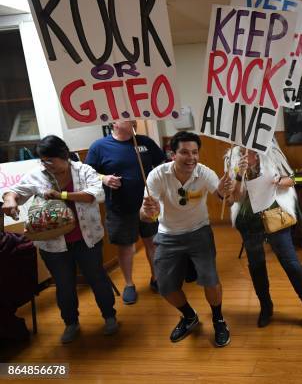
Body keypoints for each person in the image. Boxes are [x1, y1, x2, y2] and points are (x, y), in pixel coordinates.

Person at [2, 135, 118, 344]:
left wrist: (60, 195)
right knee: (64, 286)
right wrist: (10, 200)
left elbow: (94, 195)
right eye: (42, 160)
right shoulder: (37, 174)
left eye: (50, 160)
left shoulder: (84, 171)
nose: (46, 165)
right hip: (53, 243)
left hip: (87, 238)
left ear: (63, 155)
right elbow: (16, 192)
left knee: (97, 279)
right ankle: (71, 323)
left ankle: (110, 316)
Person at [140, 131, 233, 346]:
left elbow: (223, 197)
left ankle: (218, 319)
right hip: (167, 234)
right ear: (172, 154)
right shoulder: (157, 175)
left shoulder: (204, 173)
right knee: (165, 286)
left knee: (210, 279)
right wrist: (147, 211)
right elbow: (145, 215)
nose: (191, 157)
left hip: (199, 231)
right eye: (184, 152)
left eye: (195, 152)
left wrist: (225, 191)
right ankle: (189, 316)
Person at [225, 141, 302, 333]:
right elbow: (233, 198)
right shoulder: (232, 157)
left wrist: (278, 181)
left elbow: (291, 180)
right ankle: (266, 307)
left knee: (291, 263)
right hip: (249, 219)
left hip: (274, 214)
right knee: (256, 265)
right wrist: (238, 175)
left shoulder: (270, 150)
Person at [85, 121, 166, 304]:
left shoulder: (144, 142)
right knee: (125, 248)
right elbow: (87, 173)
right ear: (114, 121)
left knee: (153, 243)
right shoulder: (99, 146)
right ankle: (129, 284)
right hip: (119, 207)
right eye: (126, 116)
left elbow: (162, 165)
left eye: (132, 116)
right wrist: (104, 178)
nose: (132, 120)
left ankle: (157, 278)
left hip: (148, 204)